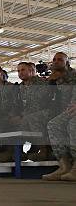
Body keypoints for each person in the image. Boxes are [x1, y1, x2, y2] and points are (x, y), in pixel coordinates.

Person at [43, 52, 76, 181]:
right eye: (54, 59)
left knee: (73, 124)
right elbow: (47, 100)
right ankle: (64, 166)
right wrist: (51, 83)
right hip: (68, 111)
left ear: (67, 62)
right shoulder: (55, 78)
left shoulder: (74, 75)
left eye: (60, 60)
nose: (56, 61)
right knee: (53, 124)